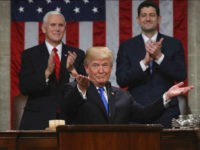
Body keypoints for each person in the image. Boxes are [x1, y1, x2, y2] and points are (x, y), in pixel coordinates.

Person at [61, 46, 192, 125]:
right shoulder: (74, 90)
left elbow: (145, 115)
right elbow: (66, 112)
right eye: (95, 65)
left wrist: (167, 96)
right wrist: (81, 89)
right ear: (86, 68)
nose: (101, 70)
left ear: (111, 68)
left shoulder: (122, 95)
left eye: (105, 65)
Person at [116, 1, 187, 128]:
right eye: (144, 15)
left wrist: (159, 57)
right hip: (136, 111)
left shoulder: (174, 44)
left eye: (152, 15)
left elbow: (181, 75)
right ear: (138, 19)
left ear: (159, 19)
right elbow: (122, 80)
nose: (148, 18)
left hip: (167, 111)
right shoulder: (127, 46)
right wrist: (144, 62)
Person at [19, 11, 85, 130]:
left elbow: (84, 90)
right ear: (44, 28)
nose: (57, 29)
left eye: (61, 25)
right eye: (53, 25)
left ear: (65, 28)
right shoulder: (29, 55)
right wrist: (47, 72)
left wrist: (72, 71)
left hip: (70, 119)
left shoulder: (78, 54)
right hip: (38, 120)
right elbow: (24, 87)